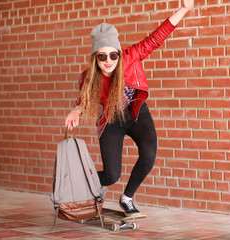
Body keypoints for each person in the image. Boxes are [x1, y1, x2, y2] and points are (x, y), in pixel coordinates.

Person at [65, 0, 194, 216]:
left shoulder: (131, 56)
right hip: (111, 120)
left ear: (118, 53)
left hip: (136, 114)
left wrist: (183, 9)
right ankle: (77, 182)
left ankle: (127, 199)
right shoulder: (90, 77)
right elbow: (86, 100)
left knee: (149, 154)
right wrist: (75, 111)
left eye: (113, 55)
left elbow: (156, 38)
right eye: (102, 56)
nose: (109, 61)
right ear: (95, 58)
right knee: (111, 175)